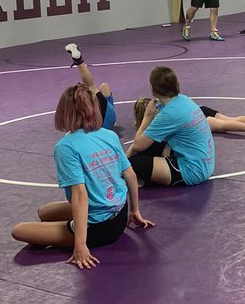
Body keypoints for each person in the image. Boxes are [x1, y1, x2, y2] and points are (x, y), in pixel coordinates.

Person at [11, 85, 151, 270]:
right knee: (44, 212)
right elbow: (130, 174)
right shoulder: (108, 135)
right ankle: (68, 228)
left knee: (18, 230)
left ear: (64, 111)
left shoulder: (66, 147)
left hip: (99, 228)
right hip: (120, 214)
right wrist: (134, 211)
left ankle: (73, 233)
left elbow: (79, 195)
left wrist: (80, 245)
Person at [126, 66, 215, 187]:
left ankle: (145, 179)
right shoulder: (183, 99)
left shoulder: (169, 113)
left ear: (153, 89)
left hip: (193, 171)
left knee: (135, 163)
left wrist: (147, 117)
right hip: (205, 163)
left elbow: (138, 145)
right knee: (150, 145)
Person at [133, 98, 245, 139]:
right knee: (232, 118)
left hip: (195, 119)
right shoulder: (162, 107)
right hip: (199, 109)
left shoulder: (154, 121)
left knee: (224, 125)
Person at [64, 43, 117, 129]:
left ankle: (79, 61)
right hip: (109, 117)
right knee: (91, 86)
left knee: (91, 87)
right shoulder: (109, 108)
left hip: (102, 121)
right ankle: (79, 62)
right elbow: (104, 86)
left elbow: (104, 86)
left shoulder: (108, 103)